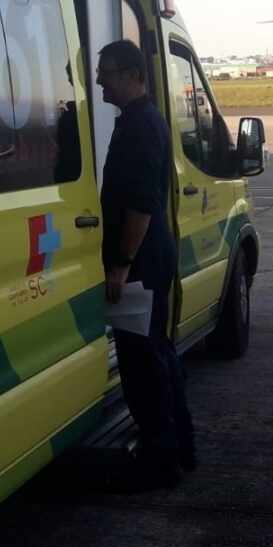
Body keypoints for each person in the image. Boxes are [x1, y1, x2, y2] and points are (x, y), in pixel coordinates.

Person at [95, 39, 195, 489]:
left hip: (141, 262)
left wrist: (121, 264)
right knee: (155, 353)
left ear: (133, 74)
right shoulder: (138, 120)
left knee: (143, 361)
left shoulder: (140, 126)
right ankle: (177, 448)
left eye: (107, 72)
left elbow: (140, 205)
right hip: (147, 259)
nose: (100, 80)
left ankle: (161, 458)